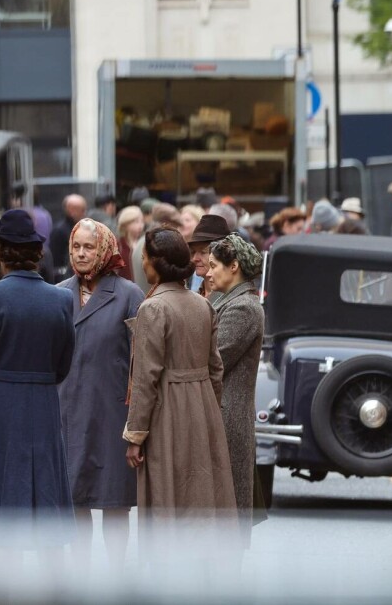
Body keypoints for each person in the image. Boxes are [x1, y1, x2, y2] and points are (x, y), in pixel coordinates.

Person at [0, 209, 77, 556]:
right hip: (41, 399)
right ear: (38, 252)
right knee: (46, 492)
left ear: (2, 251)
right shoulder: (61, 298)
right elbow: (64, 360)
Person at [123, 227, 237, 551]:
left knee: (167, 493)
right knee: (201, 494)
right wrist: (209, 410)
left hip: (167, 408)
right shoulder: (203, 305)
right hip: (202, 406)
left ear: (156, 263)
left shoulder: (153, 308)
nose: (143, 264)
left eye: (145, 258)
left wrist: (135, 435)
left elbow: (146, 377)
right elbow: (216, 368)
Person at [58, 218, 144, 569]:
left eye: (88, 247)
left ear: (105, 249)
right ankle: (79, 575)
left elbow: (141, 362)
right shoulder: (59, 292)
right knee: (75, 497)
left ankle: (117, 575)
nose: (80, 253)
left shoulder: (129, 295)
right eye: (76, 246)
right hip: (68, 409)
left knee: (114, 500)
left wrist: (138, 421)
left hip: (112, 414)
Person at [206, 234, 265, 548]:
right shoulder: (228, 301)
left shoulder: (243, 308)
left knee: (228, 504)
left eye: (214, 266)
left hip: (228, 417)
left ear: (234, 267)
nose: (208, 272)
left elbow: (214, 358)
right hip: (224, 412)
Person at [132, 204, 183, 293]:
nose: (177, 231)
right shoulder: (156, 248)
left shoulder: (141, 242)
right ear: (166, 223)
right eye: (175, 226)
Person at [188, 214, 231, 299]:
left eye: (203, 252)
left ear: (223, 254)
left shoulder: (232, 300)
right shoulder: (195, 296)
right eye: (193, 252)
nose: (195, 259)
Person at [49, 193, 88, 282]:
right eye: (82, 210)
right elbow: (55, 262)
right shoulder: (60, 231)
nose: (85, 213)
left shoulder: (78, 228)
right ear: (71, 210)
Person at [115, 206, 144, 282]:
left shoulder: (144, 244)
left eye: (142, 221)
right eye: (136, 222)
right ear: (125, 224)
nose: (140, 225)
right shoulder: (118, 245)